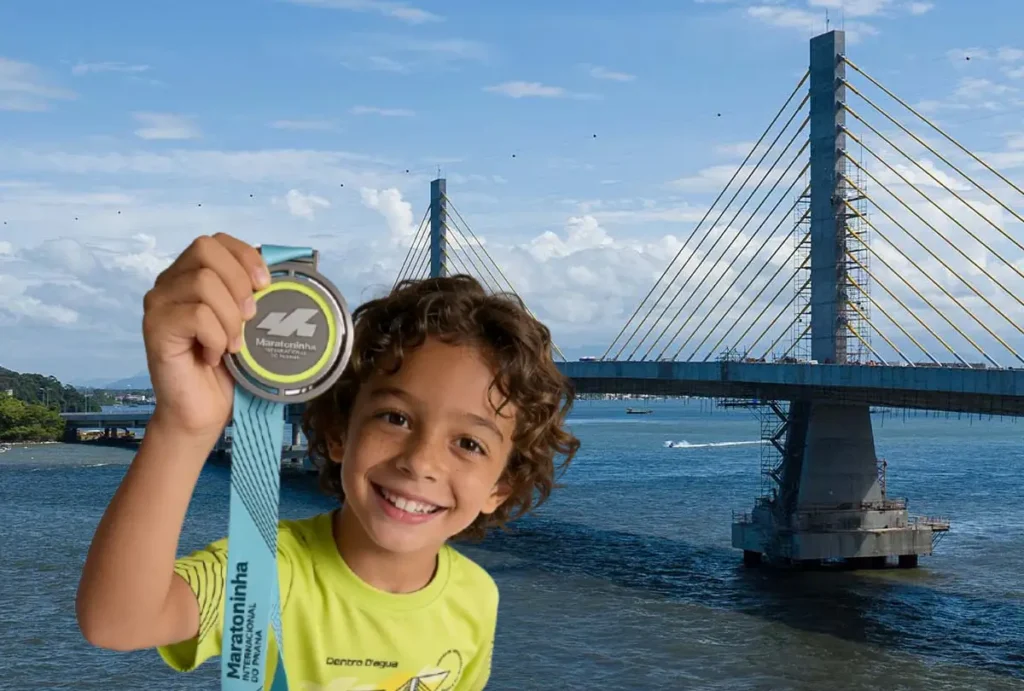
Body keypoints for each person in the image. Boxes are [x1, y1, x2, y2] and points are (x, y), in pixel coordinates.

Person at [75, 233, 580, 689]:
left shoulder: (477, 598)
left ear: (501, 485)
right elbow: (118, 622)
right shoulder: (265, 573)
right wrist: (184, 426)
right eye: (395, 418)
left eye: (470, 444)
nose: (420, 462)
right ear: (340, 431)